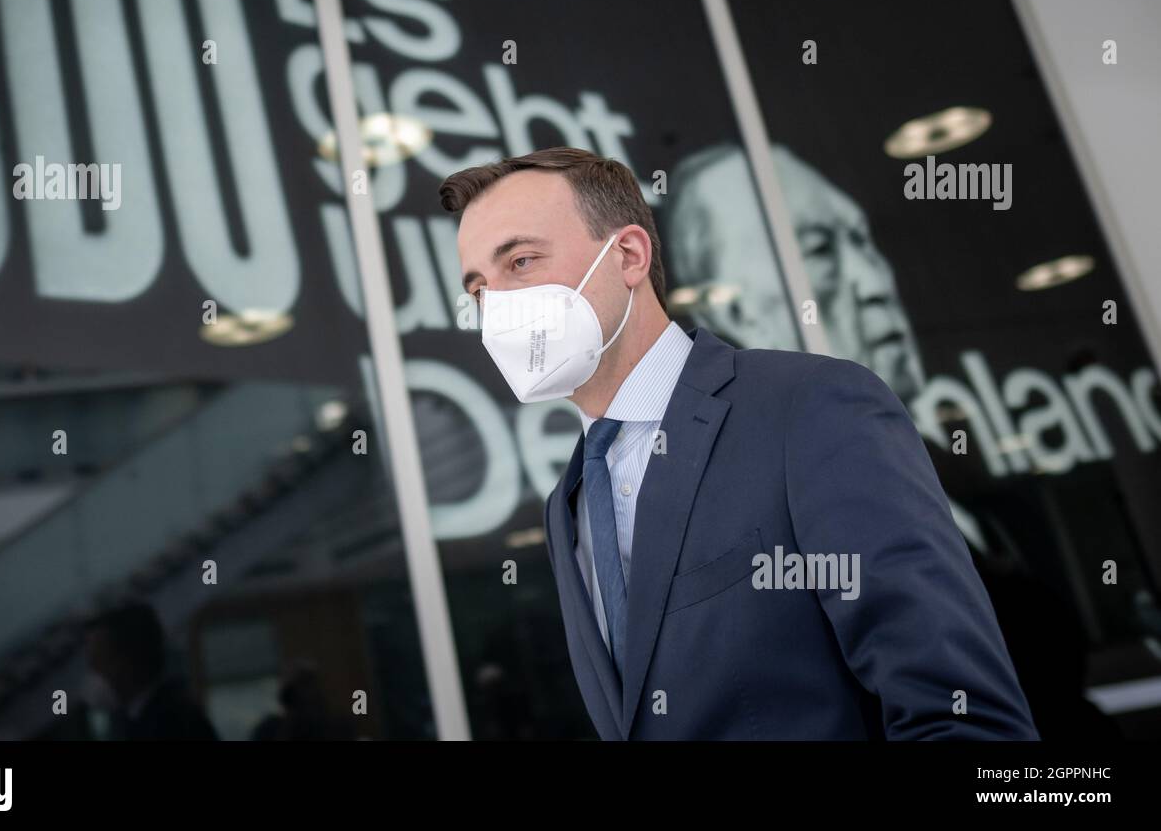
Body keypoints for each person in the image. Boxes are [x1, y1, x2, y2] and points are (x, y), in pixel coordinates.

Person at [441, 146, 1038, 740]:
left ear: (626, 256)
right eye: (479, 291)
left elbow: (961, 716)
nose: (498, 310)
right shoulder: (567, 503)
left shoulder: (808, 409)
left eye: (520, 262)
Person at [83, 602, 218, 741]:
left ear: (125, 662)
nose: (93, 675)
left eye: (97, 664)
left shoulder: (169, 725)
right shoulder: (153, 717)